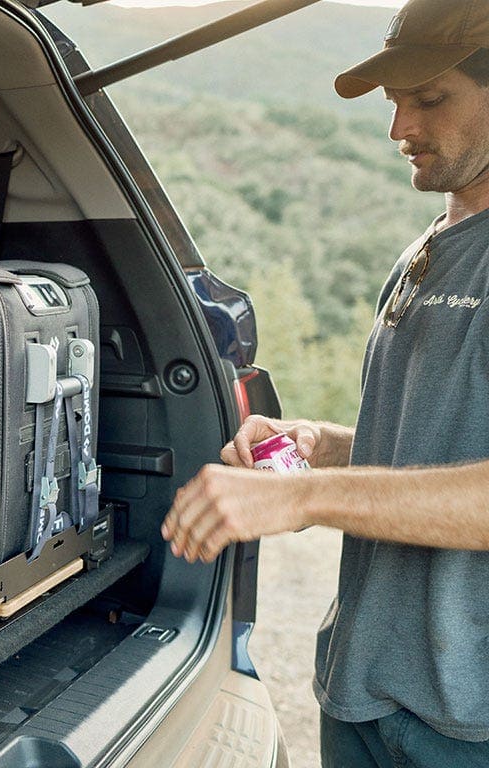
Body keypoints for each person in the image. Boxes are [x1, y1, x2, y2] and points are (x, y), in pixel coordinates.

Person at [160, 0, 489, 765]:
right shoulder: (428, 249)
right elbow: (435, 443)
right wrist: (323, 446)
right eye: (395, 102)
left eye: (429, 98)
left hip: (467, 726)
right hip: (361, 689)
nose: (400, 127)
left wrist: (302, 497)